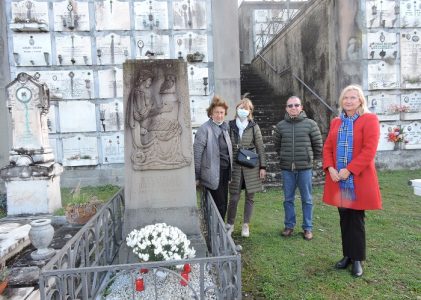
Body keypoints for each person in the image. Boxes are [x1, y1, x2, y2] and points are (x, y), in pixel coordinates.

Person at [322, 85, 382, 277]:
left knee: (356, 219)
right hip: (339, 179)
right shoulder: (336, 122)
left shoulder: (369, 120)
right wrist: (330, 168)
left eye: (353, 98)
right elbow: (328, 147)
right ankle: (347, 255)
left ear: (360, 100)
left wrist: (350, 169)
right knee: (344, 216)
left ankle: (357, 259)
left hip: (357, 179)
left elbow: (369, 150)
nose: (348, 101)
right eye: (345, 97)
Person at [273, 96, 322, 241]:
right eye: (290, 106)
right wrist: (284, 157)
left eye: (296, 105)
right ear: (286, 108)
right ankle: (289, 226)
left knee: (307, 199)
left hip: (304, 168)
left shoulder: (310, 124)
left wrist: (310, 159)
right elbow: (277, 145)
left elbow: (318, 145)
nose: (293, 108)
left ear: (301, 107)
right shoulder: (281, 126)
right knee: (288, 199)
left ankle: (308, 228)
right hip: (287, 168)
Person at [226, 97, 267, 237]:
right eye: (241, 107)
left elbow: (260, 147)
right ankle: (230, 224)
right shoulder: (230, 125)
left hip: (250, 164)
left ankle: (245, 225)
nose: (243, 110)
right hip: (235, 165)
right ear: (237, 109)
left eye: (246, 108)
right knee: (234, 197)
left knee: (250, 197)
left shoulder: (254, 126)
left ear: (250, 111)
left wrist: (263, 166)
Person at [193, 96, 233, 220]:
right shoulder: (204, 129)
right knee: (218, 204)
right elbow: (197, 153)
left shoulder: (226, 128)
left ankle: (218, 231)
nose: (219, 115)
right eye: (216, 112)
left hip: (225, 171)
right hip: (211, 172)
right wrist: (197, 175)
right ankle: (216, 233)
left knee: (223, 203)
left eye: (222, 112)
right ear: (211, 113)